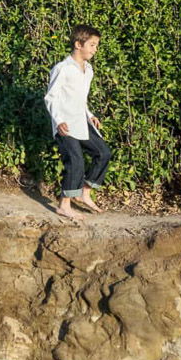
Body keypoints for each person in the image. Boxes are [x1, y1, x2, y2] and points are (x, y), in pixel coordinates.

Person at [44, 24, 112, 220]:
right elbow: (51, 97)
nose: (95, 49)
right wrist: (58, 121)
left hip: (81, 121)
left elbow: (80, 99)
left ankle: (85, 192)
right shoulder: (62, 68)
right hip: (65, 124)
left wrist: (90, 114)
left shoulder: (88, 70)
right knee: (76, 160)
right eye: (91, 45)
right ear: (78, 44)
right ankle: (64, 205)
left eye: (96, 45)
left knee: (103, 152)